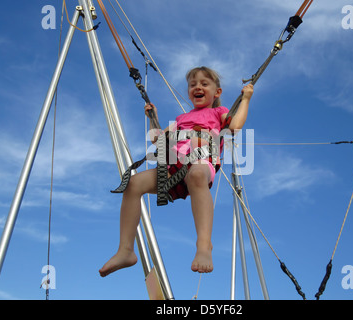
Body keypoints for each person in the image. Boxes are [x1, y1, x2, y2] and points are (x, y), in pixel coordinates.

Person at [99, 66, 254, 276]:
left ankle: (204, 246)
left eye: (204, 84)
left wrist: (245, 99)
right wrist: (152, 117)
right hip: (174, 167)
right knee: (134, 184)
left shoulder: (218, 112)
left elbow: (234, 126)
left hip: (201, 162)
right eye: (192, 84)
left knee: (197, 174)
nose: (197, 87)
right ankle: (126, 250)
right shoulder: (181, 119)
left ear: (216, 92)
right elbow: (157, 139)